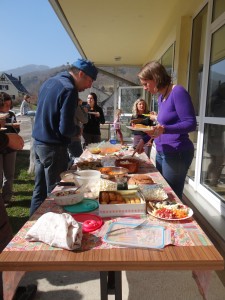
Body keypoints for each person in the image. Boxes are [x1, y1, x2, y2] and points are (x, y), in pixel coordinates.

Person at [30, 58, 98, 216]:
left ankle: (33, 224)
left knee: (39, 191)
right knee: (57, 192)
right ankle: (56, 227)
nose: (90, 86)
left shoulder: (50, 82)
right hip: (54, 147)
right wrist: (76, 131)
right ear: (80, 74)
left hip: (38, 143)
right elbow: (65, 128)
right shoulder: (69, 89)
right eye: (89, 80)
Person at [134, 61, 197, 199]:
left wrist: (165, 129)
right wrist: (144, 140)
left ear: (156, 78)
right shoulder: (161, 97)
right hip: (162, 151)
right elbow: (160, 126)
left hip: (177, 152)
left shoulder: (178, 92)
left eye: (146, 84)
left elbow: (191, 124)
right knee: (161, 192)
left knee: (171, 196)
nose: (145, 88)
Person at [0, 92, 20, 206]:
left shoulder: (11, 114)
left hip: (10, 148)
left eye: (9, 105)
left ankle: (6, 198)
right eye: (5, 105)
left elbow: (17, 132)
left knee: (9, 174)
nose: (8, 107)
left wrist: (15, 128)